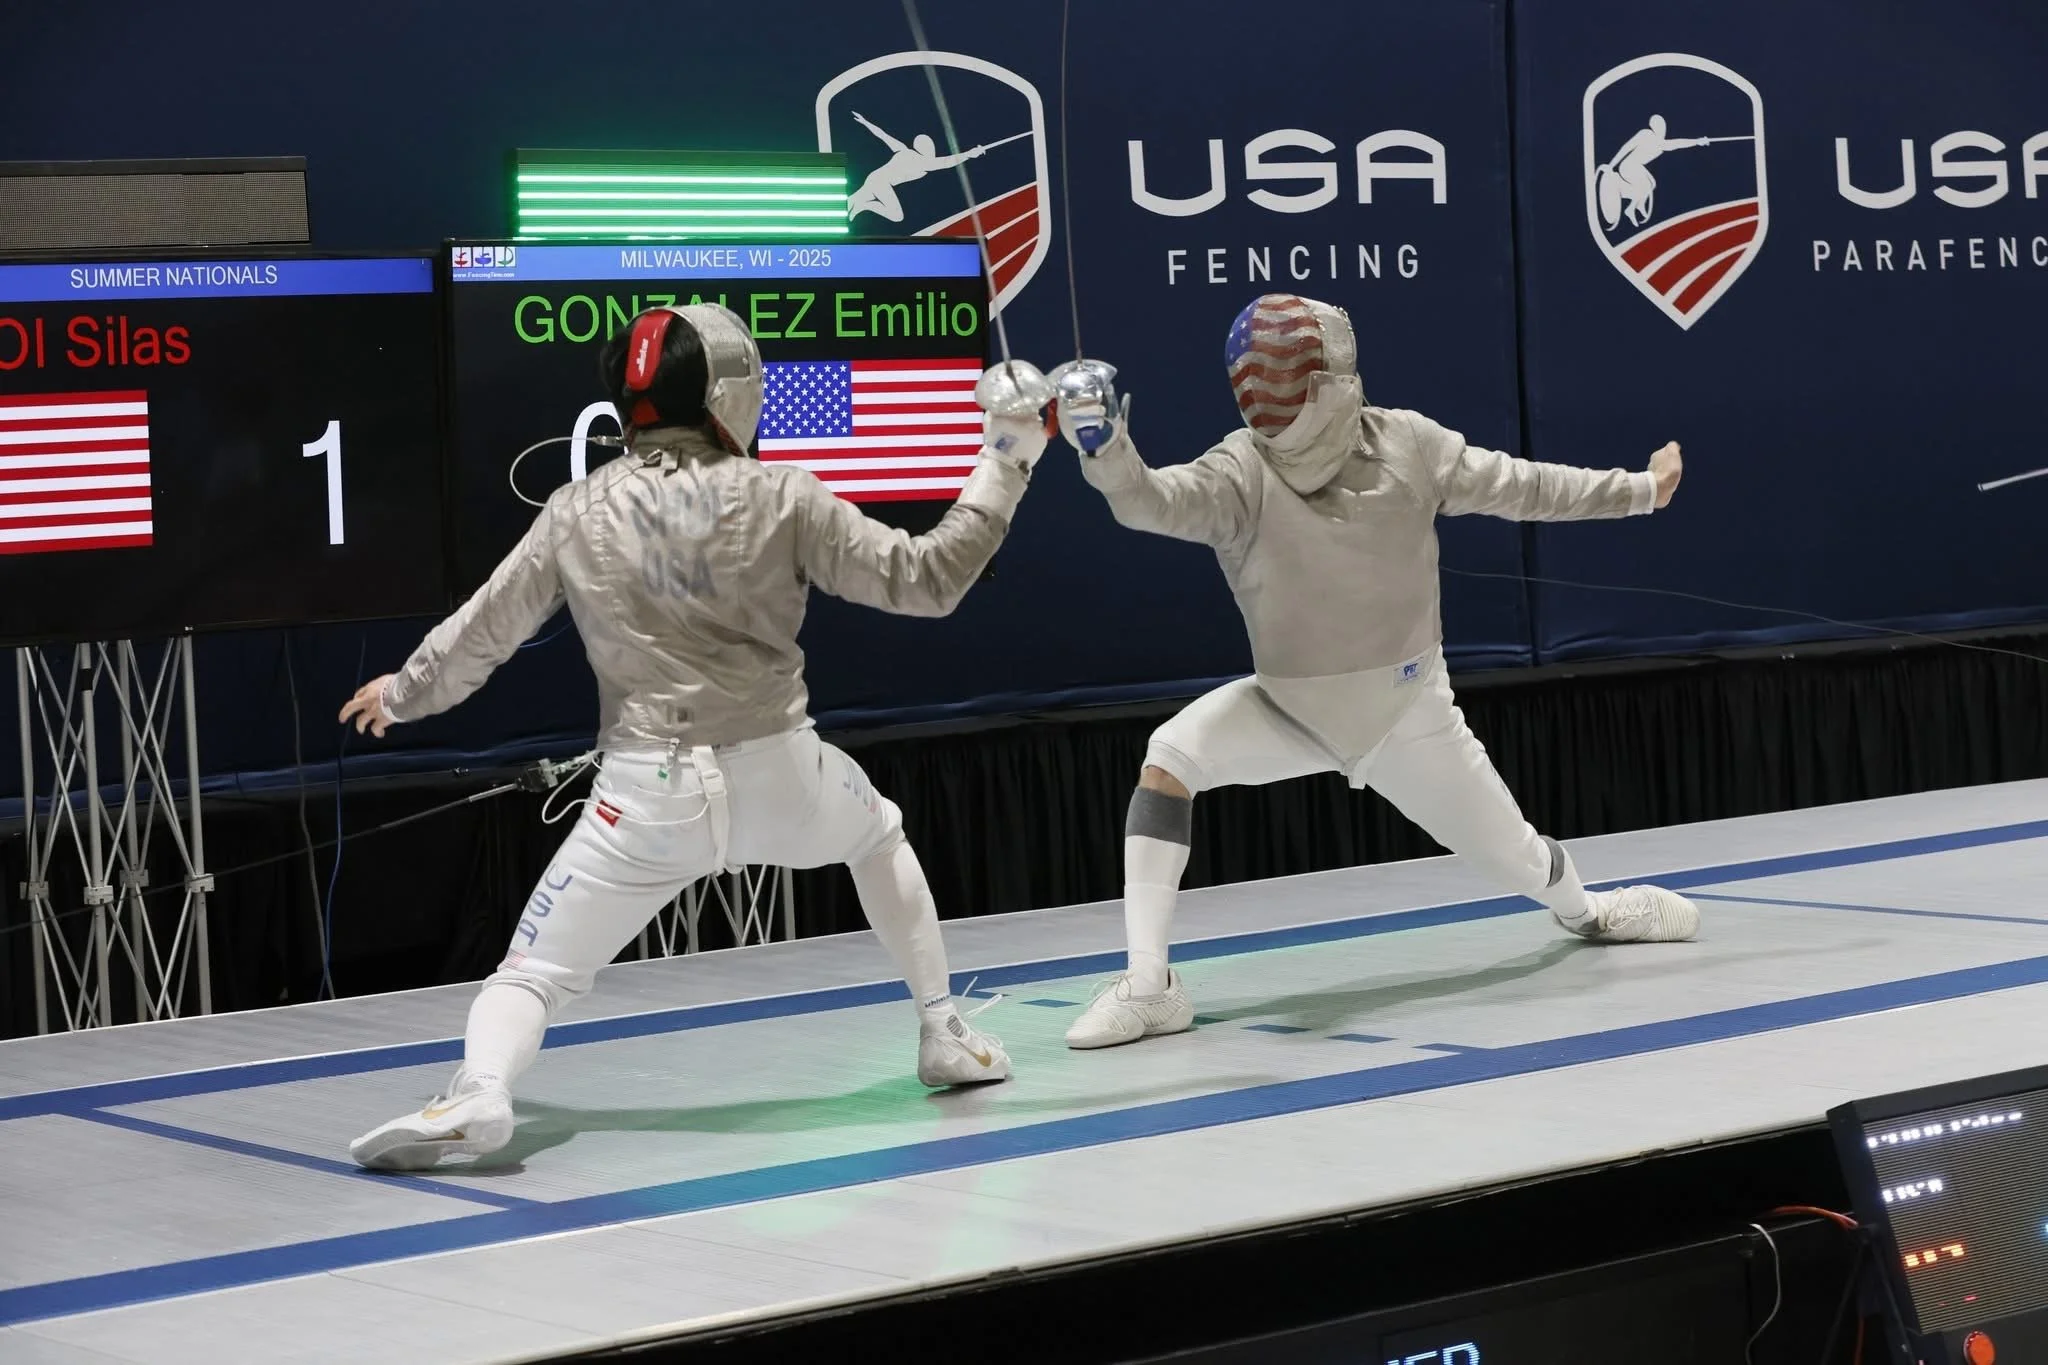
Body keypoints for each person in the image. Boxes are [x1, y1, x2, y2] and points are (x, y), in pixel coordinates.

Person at [342, 304, 1055, 1168]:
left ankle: (481, 1090)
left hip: (643, 802)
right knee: (878, 832)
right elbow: (928, 579)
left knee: (531, 974)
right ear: (729, 394)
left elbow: (484, 631)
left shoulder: (577, 509)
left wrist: (403, 692)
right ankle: (943, 1031)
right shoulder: (783, 494)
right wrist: (1007, 458)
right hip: (785, 775)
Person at [1048, 292, 1700, 1051]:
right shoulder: (1239, 472)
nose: (1270, 394)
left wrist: (1640, 492)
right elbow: (1150, 502)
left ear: (1323, 379)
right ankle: (1150, 986)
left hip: (1409, 716)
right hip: (1287, 708)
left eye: (1284, 376)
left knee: (1522, 855)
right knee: (1170, 757)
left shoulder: (1409, 445)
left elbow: (1524, 485)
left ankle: (1589, 911)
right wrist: (1106, 449)